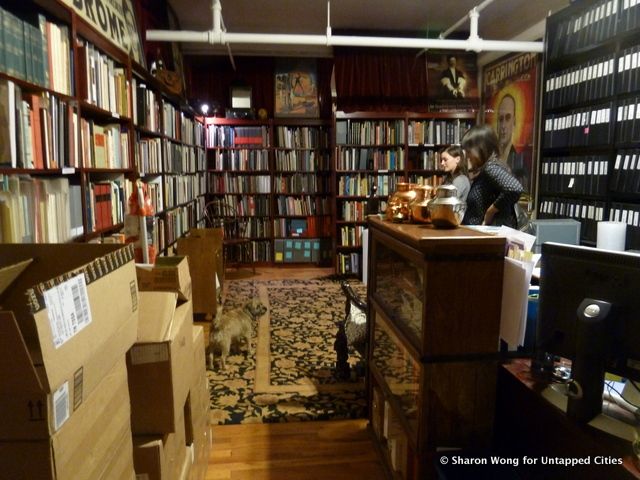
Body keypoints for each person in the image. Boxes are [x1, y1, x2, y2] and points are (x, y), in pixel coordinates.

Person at [461, 125, 524, 228]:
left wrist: (490, 213)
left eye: (469, 151)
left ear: (481, 148)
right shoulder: (489, 167)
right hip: (481, 233)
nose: (467, 155)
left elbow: (514, 188)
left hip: (488, 234)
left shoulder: (490, 167)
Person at [496, 94, 531, 191]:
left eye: (507, 118)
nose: (503, 126)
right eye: (501, 119)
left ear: (514, 122)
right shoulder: (492, 158)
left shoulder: (520, 163)